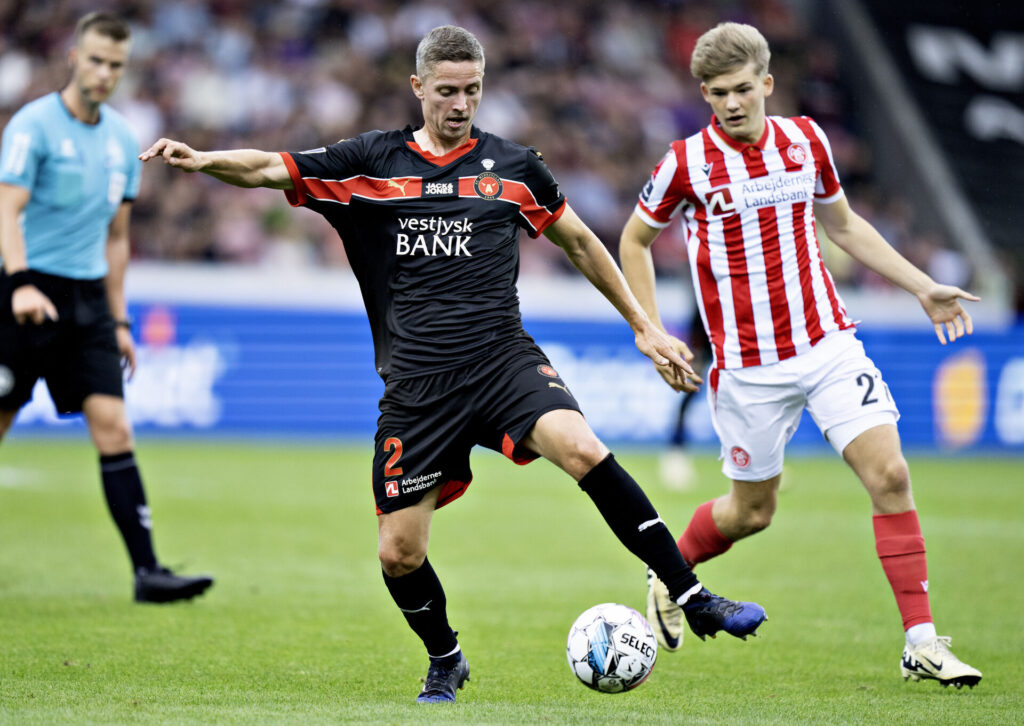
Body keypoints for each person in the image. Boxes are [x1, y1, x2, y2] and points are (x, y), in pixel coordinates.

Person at [141, 25, 766, 704]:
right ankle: (446, 657)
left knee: (583, 449)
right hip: (417, 387)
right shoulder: (369, 164)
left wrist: (644, 327)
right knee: (397, 553)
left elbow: (582, 243)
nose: (461, 103)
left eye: (472, 89)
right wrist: (203, 159)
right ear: (418, 89)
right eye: (446, 91)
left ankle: (692, 594)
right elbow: (270, 167)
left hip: (502, 361)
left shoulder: (515, 169)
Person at [619, 22, 981, 688]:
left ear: (767, 82)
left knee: (891, 476)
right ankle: (670, 573)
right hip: (747, 368)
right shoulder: (684, 163)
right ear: (704, 92)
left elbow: (843, 224)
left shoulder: (807, 140)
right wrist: (651, 329)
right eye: (718, 93)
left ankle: (922, 642)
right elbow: (635, 240)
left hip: (827, 342)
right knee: (752, 512)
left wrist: (922, 284)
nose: (732, 103)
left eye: (742, 89)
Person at [0, 12, 214, 604]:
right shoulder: (33, 125)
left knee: (116, 428)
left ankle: (148, 573)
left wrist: (120, 320)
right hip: (20, 290)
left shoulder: (123, 138)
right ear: (73, 57)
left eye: (116, 64)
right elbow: (6, 211)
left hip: (87, 300)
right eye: (95, 60)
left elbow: (117, 238)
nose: (104, 73)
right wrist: (19, 282)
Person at [658, 301, 711, 491]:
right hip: (708, 345)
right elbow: (699, 317)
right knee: (690, 393)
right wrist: (696, 352)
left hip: (731, 347)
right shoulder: (708, 289)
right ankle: (676, 450)